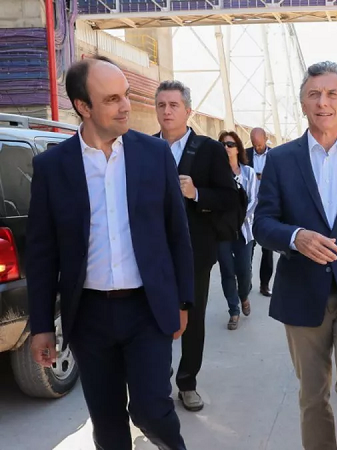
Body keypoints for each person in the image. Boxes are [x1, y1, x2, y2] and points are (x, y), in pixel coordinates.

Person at [26, 56, 193, 450]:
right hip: (89, 316)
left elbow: (177, 234)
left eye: (127, 95)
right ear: (83, 106)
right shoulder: (52, 167)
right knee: (107, 424)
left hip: (147, 310)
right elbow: (42, 253)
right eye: (112, 99)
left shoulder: (154, 154)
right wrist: (42, 325)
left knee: (152, 410)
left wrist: (183, 301)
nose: (125, 107)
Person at [253, 61, 337, 450]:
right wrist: (295, 236)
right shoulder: (281, 159)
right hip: (302, 292)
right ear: (303, 104)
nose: (323, 102)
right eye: (313, 94)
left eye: (332, 94)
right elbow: (262, 223)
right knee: (313, 396)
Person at [155, 80, 240, 412]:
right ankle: (158, 380)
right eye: (161, 105)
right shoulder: (144, 147)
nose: (167, 111)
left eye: (173, 105)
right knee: (154, 318)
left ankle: (187, 383)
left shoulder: (209, 150)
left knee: (192, 318)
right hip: (153, 253)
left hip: (195, 251)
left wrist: (197, 193)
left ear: (188, 110)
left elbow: (229, 198)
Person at [217, 131, 258, 330]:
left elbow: (254, 200)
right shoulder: (215, 173)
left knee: (244, 271)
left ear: (238, 148)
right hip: (222, 232)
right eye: (223, 145)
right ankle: (233, 311)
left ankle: (244, 295)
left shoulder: (248, 173)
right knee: (227, 271)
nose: (226, 148)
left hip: (244, 230)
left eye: (230, 144)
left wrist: (237, 219)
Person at [246, 127, 274, 297]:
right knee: (248, 247)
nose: (257, 148)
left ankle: (265, 284)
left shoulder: (275, 156)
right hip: (248, 207)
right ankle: (246, 282)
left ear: (266, 139)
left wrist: (265, 177)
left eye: (260, 144)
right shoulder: (245, 154)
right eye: (254, 144)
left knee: (267, 249)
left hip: (267, 207)